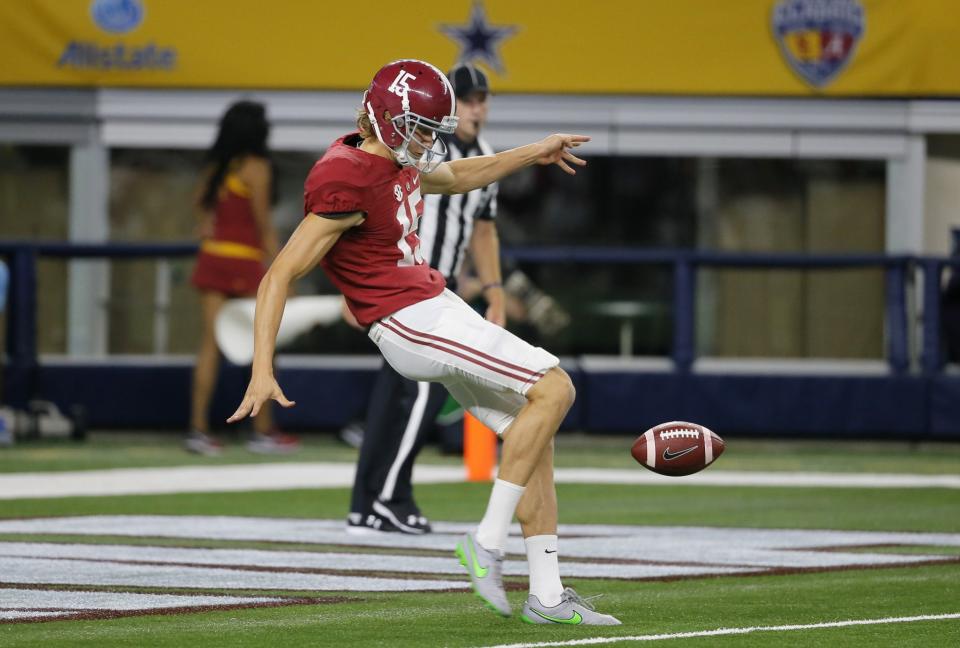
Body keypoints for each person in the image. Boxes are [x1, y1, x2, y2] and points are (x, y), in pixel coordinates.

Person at [228, 60, 619, 625]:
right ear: (385, 119)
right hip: (408, 318)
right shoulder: (349, 176)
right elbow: (278, 274)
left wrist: (534, 151)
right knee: (556, 388)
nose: (428, 141)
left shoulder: (395, 157)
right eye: (419, 128)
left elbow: (458, 177)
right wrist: (262, 369)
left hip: (433, 306)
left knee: (535, 435)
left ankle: (549, 595)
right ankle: (486, 541)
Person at [346, 63, 505, 536]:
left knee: (395, 397)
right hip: (402, 285)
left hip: (436, 289)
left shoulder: (484, 156)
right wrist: (355, 283)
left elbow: (483, 229)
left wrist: (494, 290)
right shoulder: (414, 147)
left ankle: (367, 504)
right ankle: (390, 498)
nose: (475, 108)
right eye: (467, 99)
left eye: (481, 99)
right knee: (417, 392)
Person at [187, 100, 300, 456]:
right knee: (263, 346)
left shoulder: (217, 168)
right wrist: (286, 274)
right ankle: (262, 430)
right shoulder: (257, 167)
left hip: (213, 259)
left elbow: (202, 216)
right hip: (245, 264)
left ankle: (197, 430)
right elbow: (263, 226)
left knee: (210, 347)